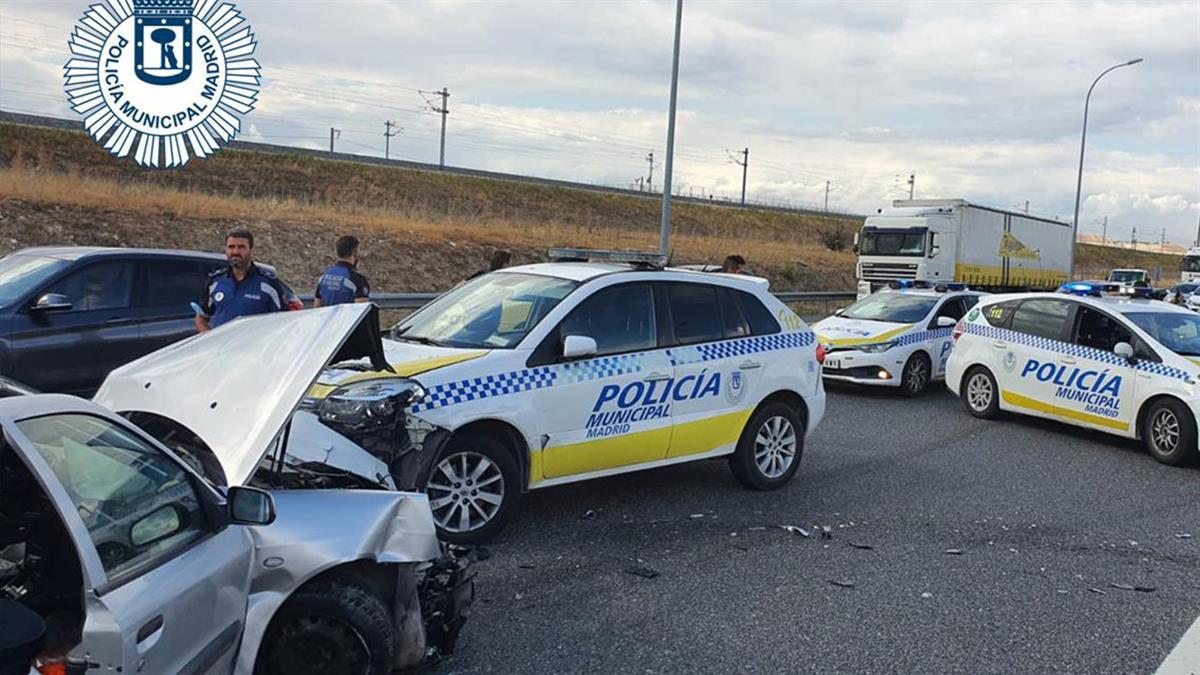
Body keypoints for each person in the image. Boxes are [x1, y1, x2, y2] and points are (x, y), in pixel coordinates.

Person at [196, 228, 301, 332]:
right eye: (231, 247)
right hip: (222, 348)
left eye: (241, 247)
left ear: (251, 250)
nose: (235, 252)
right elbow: (201, 319)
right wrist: (212, 341)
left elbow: (283, 322)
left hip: (254, 348)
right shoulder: (215, 281)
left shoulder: (268, 283)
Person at [314, 235, 371, 307]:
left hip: (327, 318)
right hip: (347, 318)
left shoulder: (324, 276)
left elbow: (317, 307)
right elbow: (361, 312)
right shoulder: (357, 280)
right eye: (359, 250)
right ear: (354, 252)